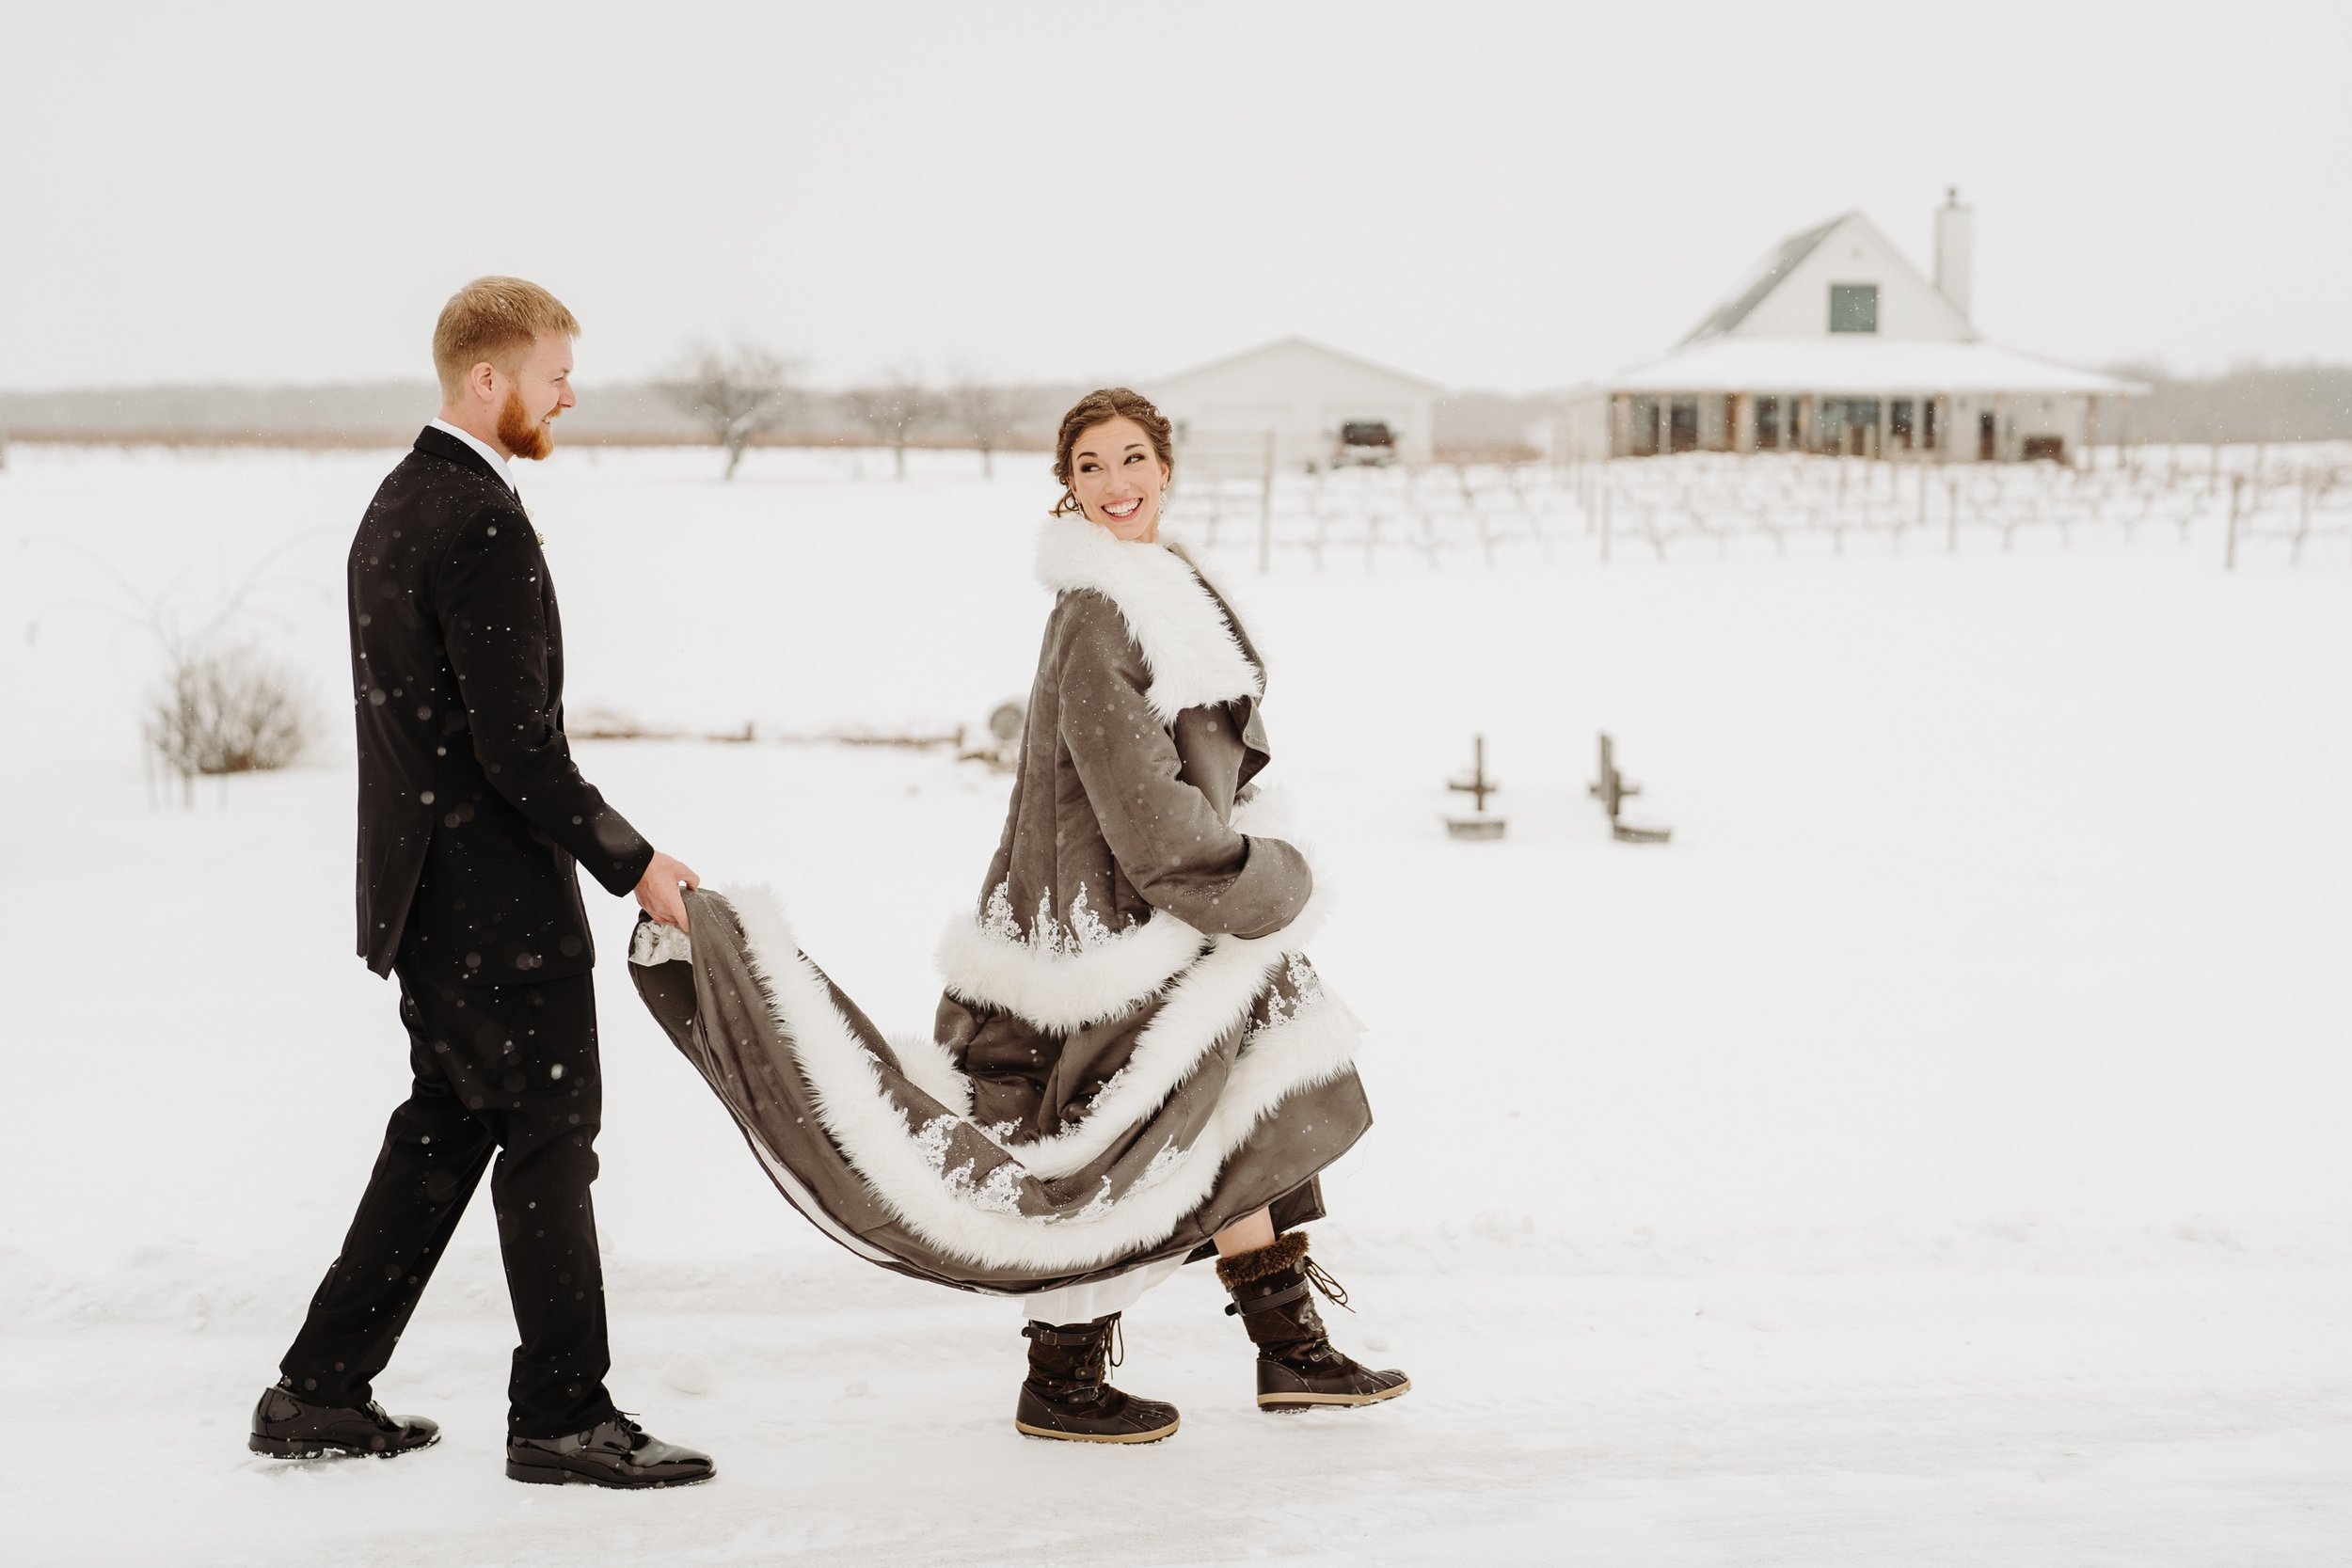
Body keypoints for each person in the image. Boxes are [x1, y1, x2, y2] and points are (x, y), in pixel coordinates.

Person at [628, 387, 1407, 1444]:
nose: (1117, 483)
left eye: (1133, 458)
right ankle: (1067, 1373)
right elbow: (1151, 820)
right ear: (1067, 486)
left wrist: (1239, 866)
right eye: (1091, 466)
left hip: (1172, 911)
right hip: (1115, 927)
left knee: (1240, 1117)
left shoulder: (1163, 585)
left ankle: (1288, 1349)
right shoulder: (1099, 612)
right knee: (1106, 1157)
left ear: (1166, 468)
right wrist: (1272, 877)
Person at [248, 277, 713, 1489]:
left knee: (448, 1127)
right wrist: (634, 861)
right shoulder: (479, 517)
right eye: (556, 369)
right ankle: (562, 1411)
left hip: (424, 896)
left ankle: (318, 1388)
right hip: (497, 905)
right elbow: (517, 750)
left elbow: (432, 733)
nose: (570, 390)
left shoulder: (396, 503)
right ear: (487, 379)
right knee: (550, 1134)